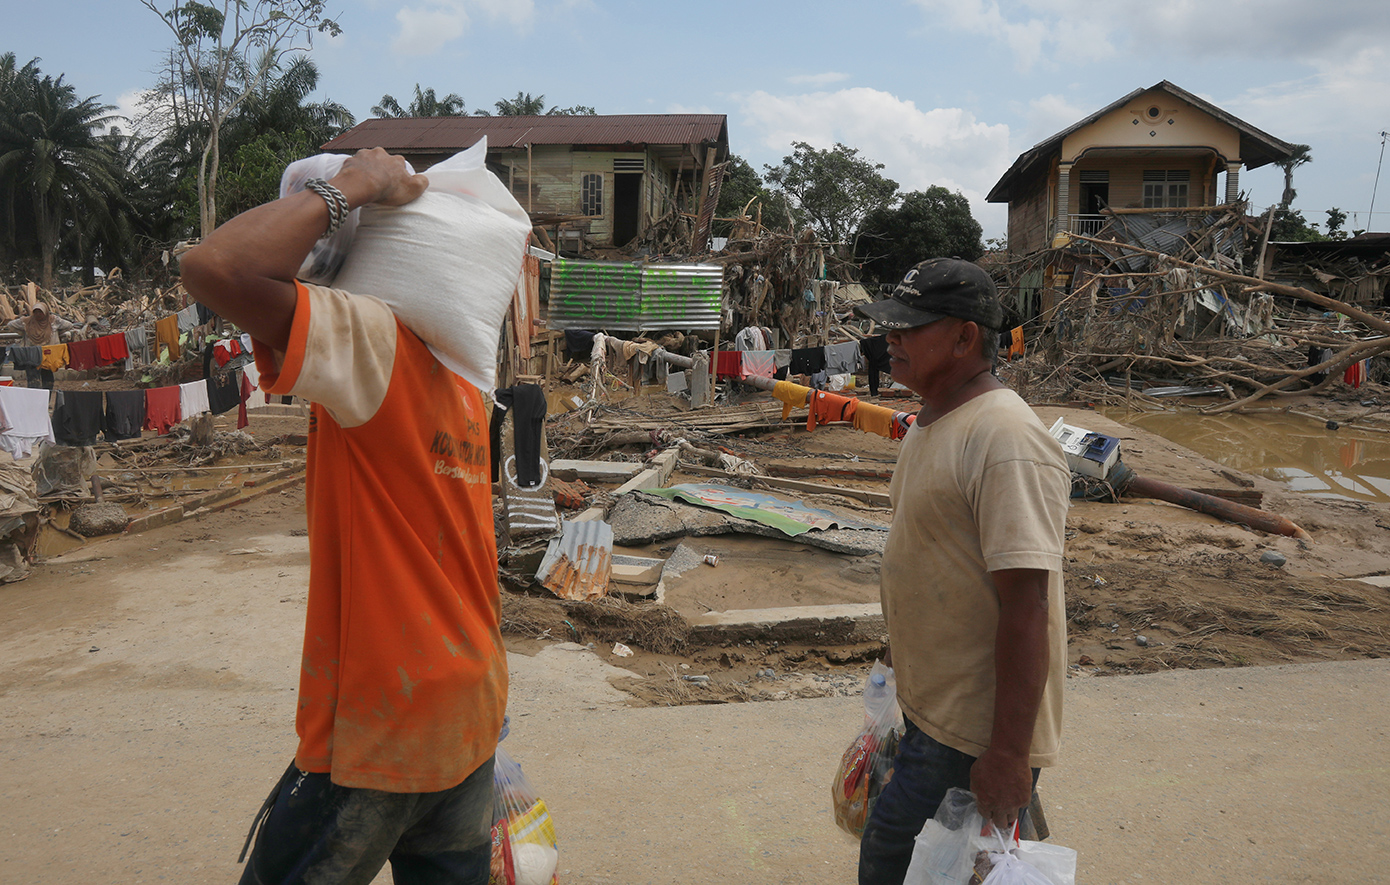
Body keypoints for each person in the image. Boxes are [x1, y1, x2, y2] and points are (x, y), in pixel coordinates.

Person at [179, 148, 507, 885]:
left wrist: (358, 182)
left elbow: (213, 269)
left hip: (381, 728)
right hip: (469, 714)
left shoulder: (371, 341)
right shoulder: (465, 379)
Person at [854, 259, 1070, 885]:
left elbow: (1027, 606)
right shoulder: (933, 421)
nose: (889, 339)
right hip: (932, 711)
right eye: (888, 327)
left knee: (891, 854)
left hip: (971, 731)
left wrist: (1007, 754)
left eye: (908, 328)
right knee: (930, 863)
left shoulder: (1005, 439)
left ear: (964, 337)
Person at [8, 303, 77, 388]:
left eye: (40, 312)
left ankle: (47, 397)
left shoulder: (53, 321)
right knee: (32, 378)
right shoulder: (27, 321)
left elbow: (69, 325)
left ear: (45, 312)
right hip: (31, 353)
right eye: (36, 312)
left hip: (47, 354)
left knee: (48, 378)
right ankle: (34, 398)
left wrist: (58, 333)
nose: (38, 315)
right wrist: (23, 331)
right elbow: (10, 325)